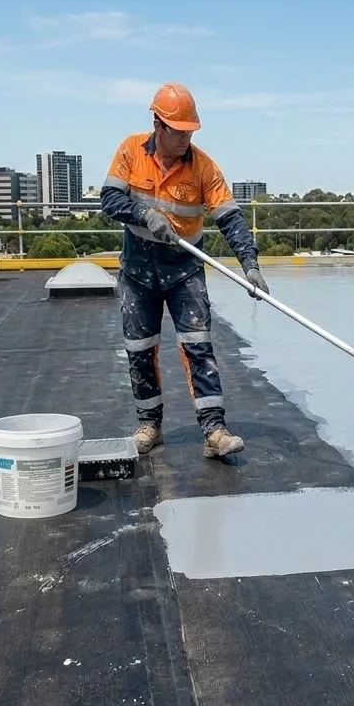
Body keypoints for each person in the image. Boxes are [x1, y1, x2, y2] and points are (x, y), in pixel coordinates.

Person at [100, 82, 269, 459]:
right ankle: (150, 425)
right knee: (140, 349)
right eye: (179, 132)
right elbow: (109, 198)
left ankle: (214, 431)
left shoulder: (203, 166)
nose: (185, 139)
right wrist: (145, 214)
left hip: (183, 270)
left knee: (198, 346)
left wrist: (250, 265)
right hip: (138, 269)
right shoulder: (130, 150)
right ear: (158, 125)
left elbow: (229, 217)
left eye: (191, 132)